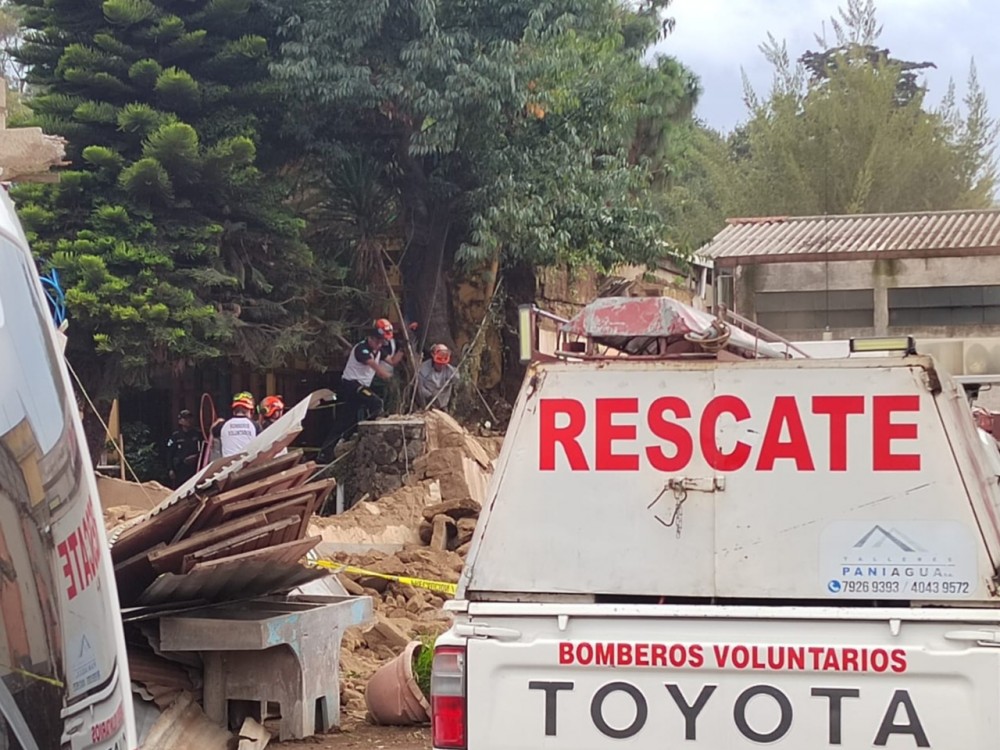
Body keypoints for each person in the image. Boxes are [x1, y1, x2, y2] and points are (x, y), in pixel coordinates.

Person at [318, 319, 405, 461]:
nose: (380, 344)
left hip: (361, 386)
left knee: (345, 420)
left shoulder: (378, 351)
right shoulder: (361, 349)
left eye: (382, 342)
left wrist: (402, 349)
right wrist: (388, 376)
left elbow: (393, 361)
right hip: (352, 385)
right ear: (371, 338)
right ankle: (366, 435)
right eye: (378, 341)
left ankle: (327, 451)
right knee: (376, 403)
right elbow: (375, 368)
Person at [215, 391, 260, 457]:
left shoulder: (222, 426)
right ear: (251, 411)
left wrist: (217, 422)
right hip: (248, 464)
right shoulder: (255, 426)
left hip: (228, 465)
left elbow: (212, 432)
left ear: (233, 411)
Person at [166, 409, 202, 488]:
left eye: (189, 418)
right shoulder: (176, 436)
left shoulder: (197, 434)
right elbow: (169, 453)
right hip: (180, 469)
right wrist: (170, 469)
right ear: (180, 421)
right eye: (185, 418)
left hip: (194, 468)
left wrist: (196, 456)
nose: (188, 420)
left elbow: (203, 450)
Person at [416, 343, 458, 410]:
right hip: (427, 403)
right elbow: (420, 387)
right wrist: (430, 396)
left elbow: (457, 379)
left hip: (443, 405)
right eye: (439, 364)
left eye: (443, 364)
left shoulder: (450, 370)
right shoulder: (424, 369)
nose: (441, 366)